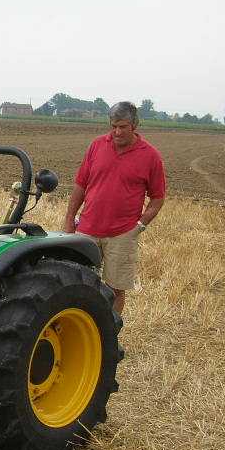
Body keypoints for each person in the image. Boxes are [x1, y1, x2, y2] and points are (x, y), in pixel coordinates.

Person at [62, 101, 166, 314]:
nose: (117, 132)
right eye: (113, 126)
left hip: (122, 235)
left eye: (123, 127)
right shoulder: (97, 146)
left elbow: (157, 198)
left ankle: (110, 334)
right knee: (76, 283)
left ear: (135, 126)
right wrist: (69, 219)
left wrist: (139, 226)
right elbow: (81, 184)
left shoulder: (150, 156)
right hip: (87, 230)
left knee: (115, 289)